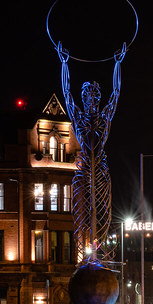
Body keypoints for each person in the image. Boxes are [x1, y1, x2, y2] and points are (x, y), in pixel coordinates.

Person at [57, 42, 126, 262]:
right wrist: (64, 63)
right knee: (82, 214)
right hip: (84, 167)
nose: (92, 100)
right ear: (84, 98)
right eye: (88, 96)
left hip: (101, 168)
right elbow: (66, 93)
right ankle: (85, 256)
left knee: (104, 213)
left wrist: (117, 63)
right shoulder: (77, 117)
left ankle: (99, 253)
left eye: (95, 96)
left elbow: (116, 92)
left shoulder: (105, 116)